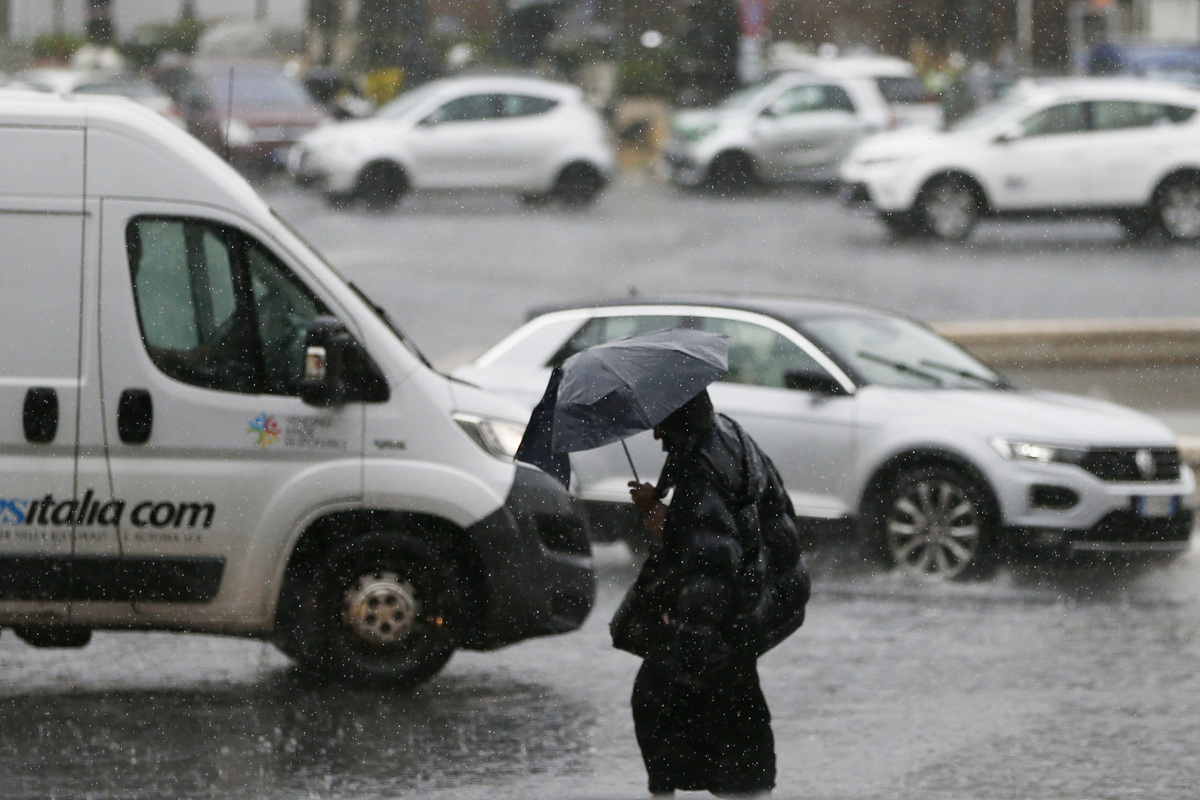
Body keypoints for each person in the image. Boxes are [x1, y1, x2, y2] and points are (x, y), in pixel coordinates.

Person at [618, 389, 804, 798]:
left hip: (726, 619)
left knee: (667, 705)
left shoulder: (701, 469)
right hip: (748, 608)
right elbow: (731, 530)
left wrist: (690, 636)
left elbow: (712, 564)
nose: (653, 433)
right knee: (735, 726)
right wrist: (667, 516)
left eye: (658, 420)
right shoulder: (726, 435)